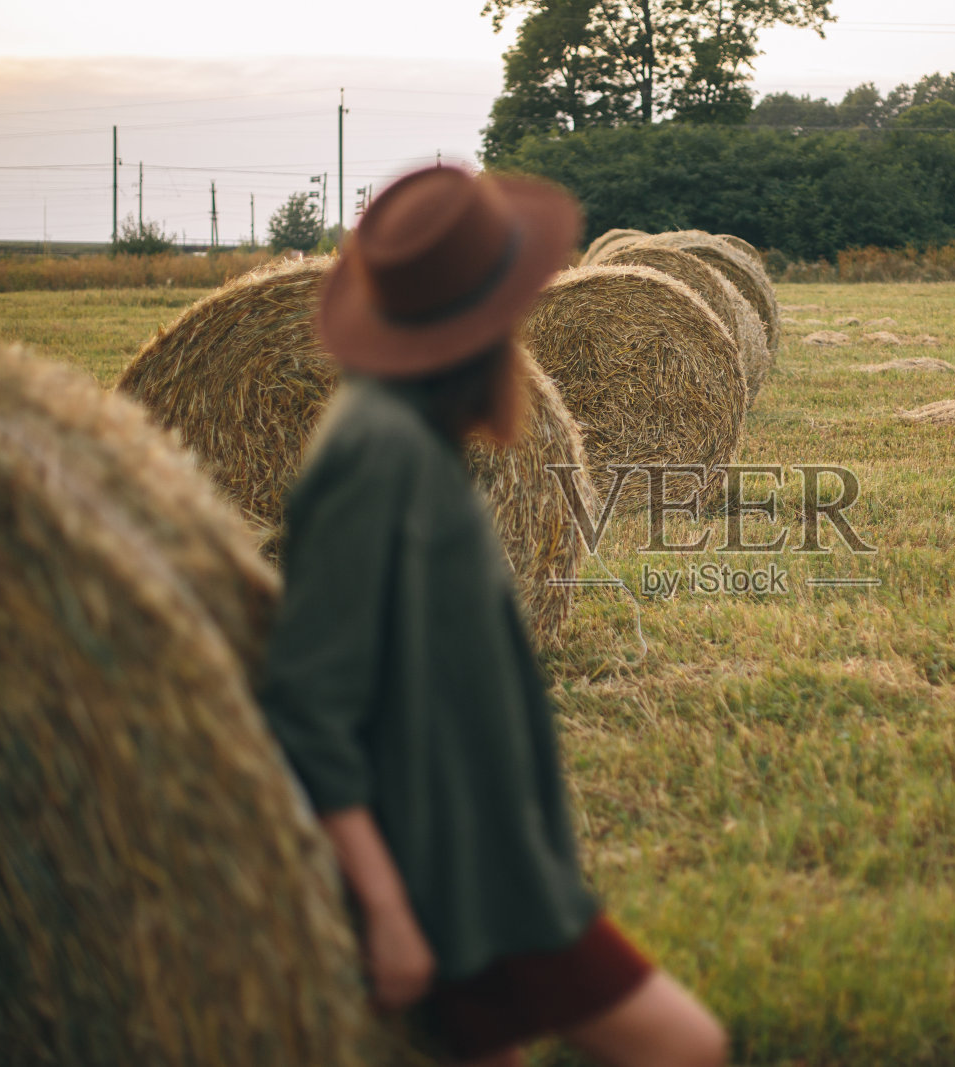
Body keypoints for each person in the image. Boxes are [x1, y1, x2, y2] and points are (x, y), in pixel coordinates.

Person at [257, 166, 726, 1067]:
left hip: (489, 856)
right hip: (458, 878)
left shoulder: (408, 433)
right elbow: (309, 707)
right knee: (684, 1045)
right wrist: (389, 912)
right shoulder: (373, 453)